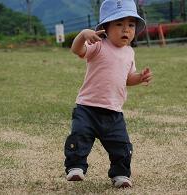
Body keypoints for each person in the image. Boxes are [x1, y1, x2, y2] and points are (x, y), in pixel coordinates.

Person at [64, 0, 152, 188]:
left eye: (130, 25)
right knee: (79, 137)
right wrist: (83, 35)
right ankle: (76, 168)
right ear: (106, 28)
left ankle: (120, 174)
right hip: (87, 108)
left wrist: (140, 78)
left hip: (113, 111)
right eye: (119, 24)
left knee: (122, 146)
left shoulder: (129, 52)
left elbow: (127, 78)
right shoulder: (99, 45)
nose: (125, 30)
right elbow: (77, 50)